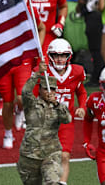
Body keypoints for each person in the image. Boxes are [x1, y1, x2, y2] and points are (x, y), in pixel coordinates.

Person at [17, 61, 72, 185]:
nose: (49, 92)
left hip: (51, 154)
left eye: (52, 89)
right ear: (40, 89)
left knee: (52, 182)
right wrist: (37, 74)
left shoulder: (59, 107)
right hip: (29, 155)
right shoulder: (32, 104)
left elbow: (67, 119)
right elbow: (25, 92)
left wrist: (56, 104)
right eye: (46, 89)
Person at [42, 39, 87, 184]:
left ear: (69, 56)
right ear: (50, 56)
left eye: (63, 55)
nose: (59, 59)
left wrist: (82, 107)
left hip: (66, 122)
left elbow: (81, 92)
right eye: (55, 55)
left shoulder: (76, 71)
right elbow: (31, 94)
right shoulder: (44, 72)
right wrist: (43, 96)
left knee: (65, 156)